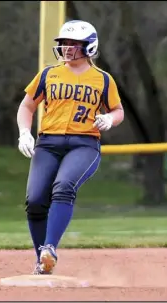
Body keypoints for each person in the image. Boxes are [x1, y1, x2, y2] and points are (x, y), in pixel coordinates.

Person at [16, 19, 124, 275]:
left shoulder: (103, 80)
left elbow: (118, 110)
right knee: (34, 201)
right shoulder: (48, 74)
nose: (66, 48)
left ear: (89, 46)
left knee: (63, 187)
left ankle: (50, 247)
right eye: (64, 43)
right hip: (48, 143)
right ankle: (42, 260)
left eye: (73, 44)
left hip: (84, 144)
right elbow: (27, 106)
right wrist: (24, 132)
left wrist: (109, 118)